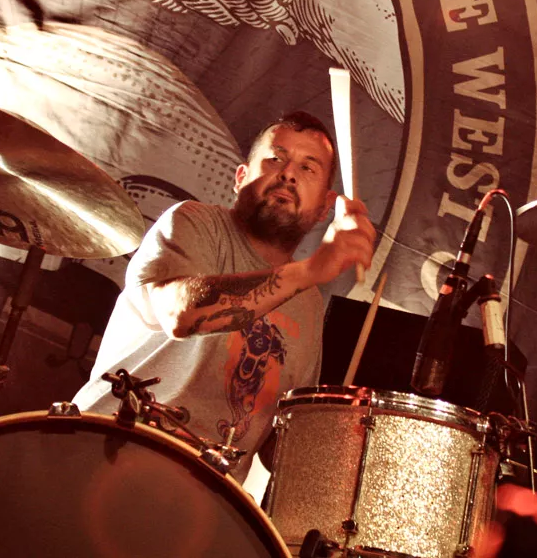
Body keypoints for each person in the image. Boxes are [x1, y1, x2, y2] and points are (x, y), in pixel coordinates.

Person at [72, 111, 376, 480]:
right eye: (275, 158)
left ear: (326, 207)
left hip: (202, 497)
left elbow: (277, 446)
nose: (288, 174)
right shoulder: (194, 222)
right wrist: (310, 270)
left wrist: (340, 437)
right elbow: (181, 315)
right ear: (240, 177)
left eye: (307, 168)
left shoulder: (308, 303)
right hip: (106, 450)